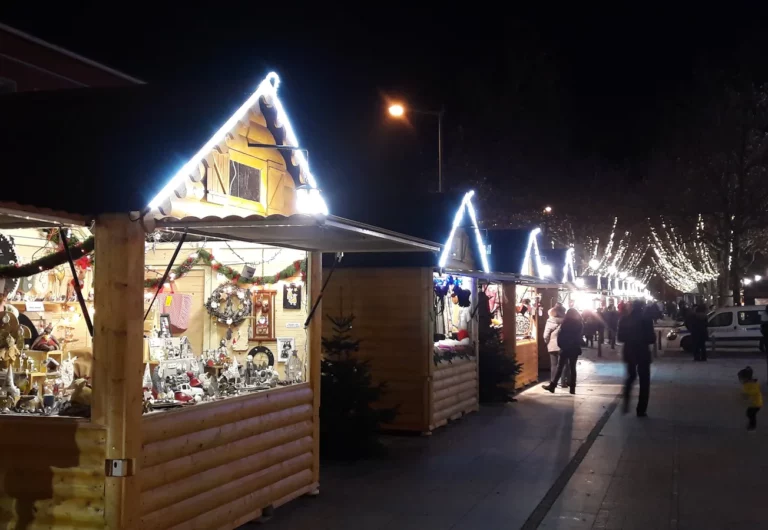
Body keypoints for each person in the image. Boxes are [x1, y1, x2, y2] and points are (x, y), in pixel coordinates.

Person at [618, 300, 655, 417]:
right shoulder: (647, 320)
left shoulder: (624, 319)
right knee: (644, 381)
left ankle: (626, 401)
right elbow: (651, 339)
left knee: (631, 376)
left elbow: (620, 338)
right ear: (643, 307)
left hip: (629, 351)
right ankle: (641, 409)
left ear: (632, 307)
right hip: (643, 352)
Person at [545, 308, 583, 395]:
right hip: (574, 348)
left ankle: (553, 386)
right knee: (572, 368)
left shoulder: (565, 323)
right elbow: (579, 336)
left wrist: (561, 345)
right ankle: (572, 388)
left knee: (560, 367)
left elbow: (560, 335)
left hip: (565, 348)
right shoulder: (579, 323)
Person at [541, 305, 565, 388]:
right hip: (562, 345)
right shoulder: (564, 321)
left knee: (554, 364)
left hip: (553, 345)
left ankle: (553, 382)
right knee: (563, 364)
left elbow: (546, 335)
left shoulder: (550, 321)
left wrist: (547, 341)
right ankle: (563, 382)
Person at [738, 366, 762, 432]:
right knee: (749, 413)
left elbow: (754, 391)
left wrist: (747, 394)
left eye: (741, 378)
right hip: (752, 403)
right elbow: (746, 391)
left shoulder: (754, 384)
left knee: (751, 414)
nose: (740, 380)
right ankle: (751, 424)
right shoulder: (746, 384)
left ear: (746, 378)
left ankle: (753, 426)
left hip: (757, 404)